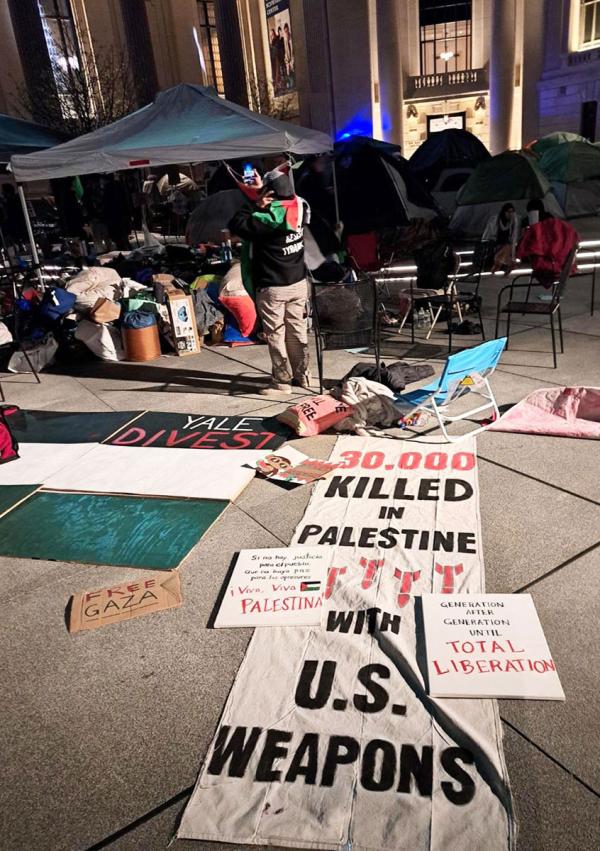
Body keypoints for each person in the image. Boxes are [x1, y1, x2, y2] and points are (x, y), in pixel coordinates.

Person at [229, 167, 311, 396]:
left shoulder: (264, 219)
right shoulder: (300, 207)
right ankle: (303, 375)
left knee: (275, 334)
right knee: (297, 330)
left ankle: (282, 382)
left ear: (269, 194)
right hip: (298, 282)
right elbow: (285, 196)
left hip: (273, 286)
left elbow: (237, 224)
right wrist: (261, 189)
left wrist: (256, 203)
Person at [482, 203, 519, 272]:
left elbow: (514, 237)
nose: (510, 214)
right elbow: (489, 234)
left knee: (508, 246)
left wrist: (513, 256)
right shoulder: (496, 220)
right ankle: (499, 263)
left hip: (505, 244)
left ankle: (499, 263)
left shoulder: (513, 221)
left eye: (512, 212)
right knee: (506, 247)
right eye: (508, 212)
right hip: (494, 242)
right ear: (504, 212)